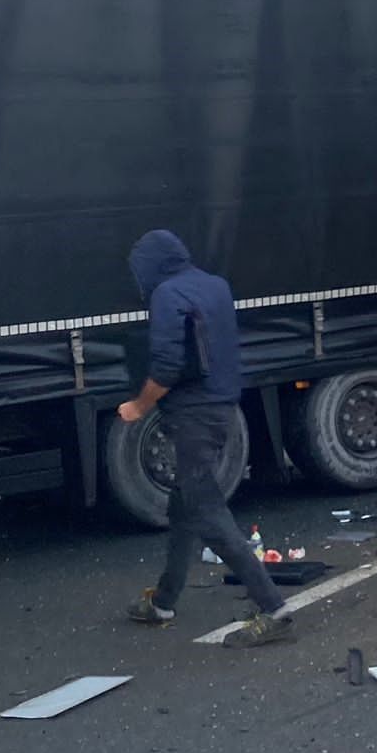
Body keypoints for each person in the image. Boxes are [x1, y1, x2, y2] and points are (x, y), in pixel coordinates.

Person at [120, 229, 291, 648]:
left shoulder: (165, 294)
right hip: (223, 407)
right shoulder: (215, 285)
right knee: (184, 508)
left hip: (194, 414)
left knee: (207, 511)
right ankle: (163, 601)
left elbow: (166, 364)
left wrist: (138, 407)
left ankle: (274, 608)